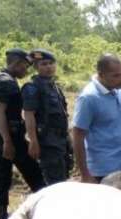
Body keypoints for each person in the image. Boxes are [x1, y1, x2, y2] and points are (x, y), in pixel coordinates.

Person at [0, 48, 45, 219]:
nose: (26, 70)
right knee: (33, 173)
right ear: (16, 64)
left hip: (5, 134)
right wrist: (7, 141)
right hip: (9, 135)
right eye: (24, 66)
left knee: (2, 174)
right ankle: (45, 207)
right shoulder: (6, 82)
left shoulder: (1, 78)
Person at [73, 54, 121, 183]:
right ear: (101, 75)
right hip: (102, 170)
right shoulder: (88, 98)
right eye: (116, 76)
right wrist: (85, 173)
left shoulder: (118, 90)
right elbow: (78, 135)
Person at [21, 49, 70, 185]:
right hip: (47, 142)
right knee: (54, 182)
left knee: (63, 177)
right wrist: (33, 141)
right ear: (36, 67)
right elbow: (29, 115)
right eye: (43, 64)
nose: (48, 67)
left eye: (51, 63)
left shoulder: (54, 87)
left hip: (60, 140)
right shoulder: (32, 87)